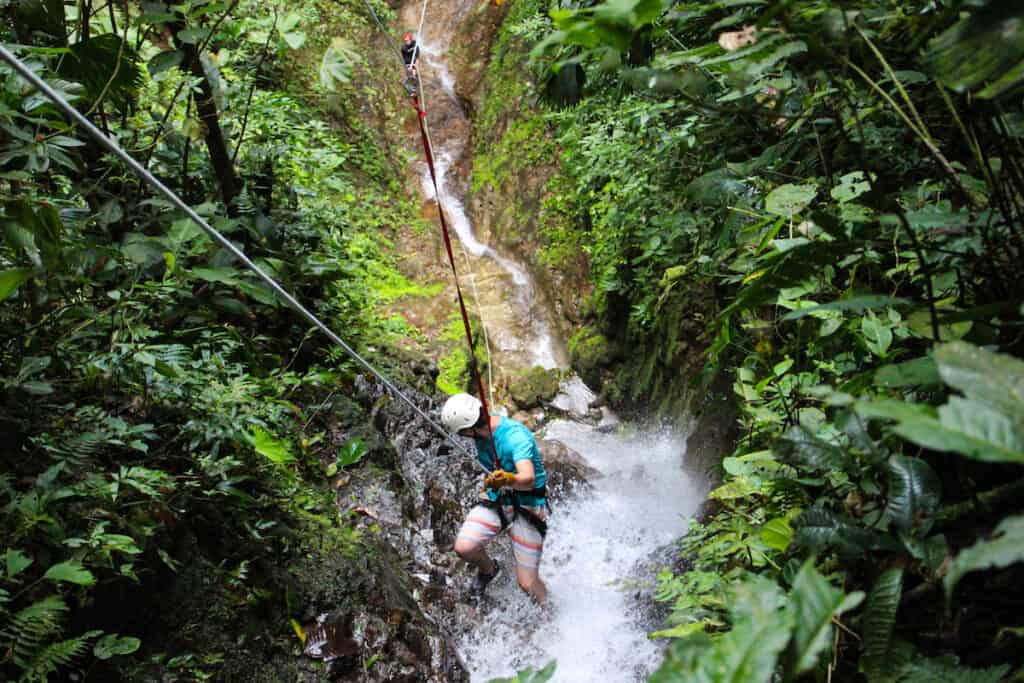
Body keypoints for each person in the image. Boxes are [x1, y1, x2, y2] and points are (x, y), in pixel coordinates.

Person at [441, 393, 549, 604]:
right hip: (498, 500)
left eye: (462, 433)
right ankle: (489, 570)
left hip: (528, 507)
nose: (464, 436)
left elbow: (527, 479)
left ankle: (549, 609)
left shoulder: (515, 436)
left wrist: (508, 479)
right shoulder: (482, 433)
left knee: (527, 584)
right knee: (465, 547)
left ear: (469, 429)